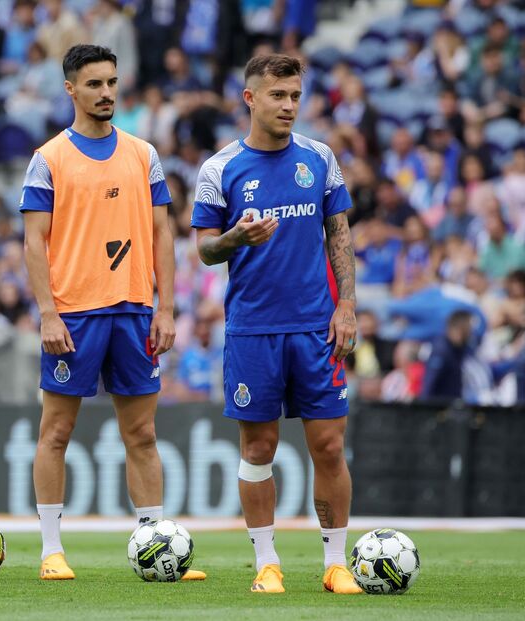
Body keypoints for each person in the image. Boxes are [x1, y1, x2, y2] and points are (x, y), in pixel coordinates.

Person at [20, 44, 205, 581]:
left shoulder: (142, 153)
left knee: (142, 435)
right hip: (74, 315)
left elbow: (161, 233)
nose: (106, 93)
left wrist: (165, 307)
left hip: (133, 312)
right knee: (55, 433)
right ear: (70, 89)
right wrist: (48, 314)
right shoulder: (49, 157)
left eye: (112, 83)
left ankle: (155, 547)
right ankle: (52, 550)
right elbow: (35, 242)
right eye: (95, 84)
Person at [191, 53, 361, 594]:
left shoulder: (320, 158)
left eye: (294, 96)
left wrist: (347, 306)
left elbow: (340, 236)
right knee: (258, 449)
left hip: (316, 328)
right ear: (250, 99)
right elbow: (204, 251)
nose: (289, 106)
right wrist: (235, 238)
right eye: (278, 96)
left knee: (329, 447)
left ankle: (335, 563)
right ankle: (267, 562)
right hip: (252, 330)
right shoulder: (220, 169)